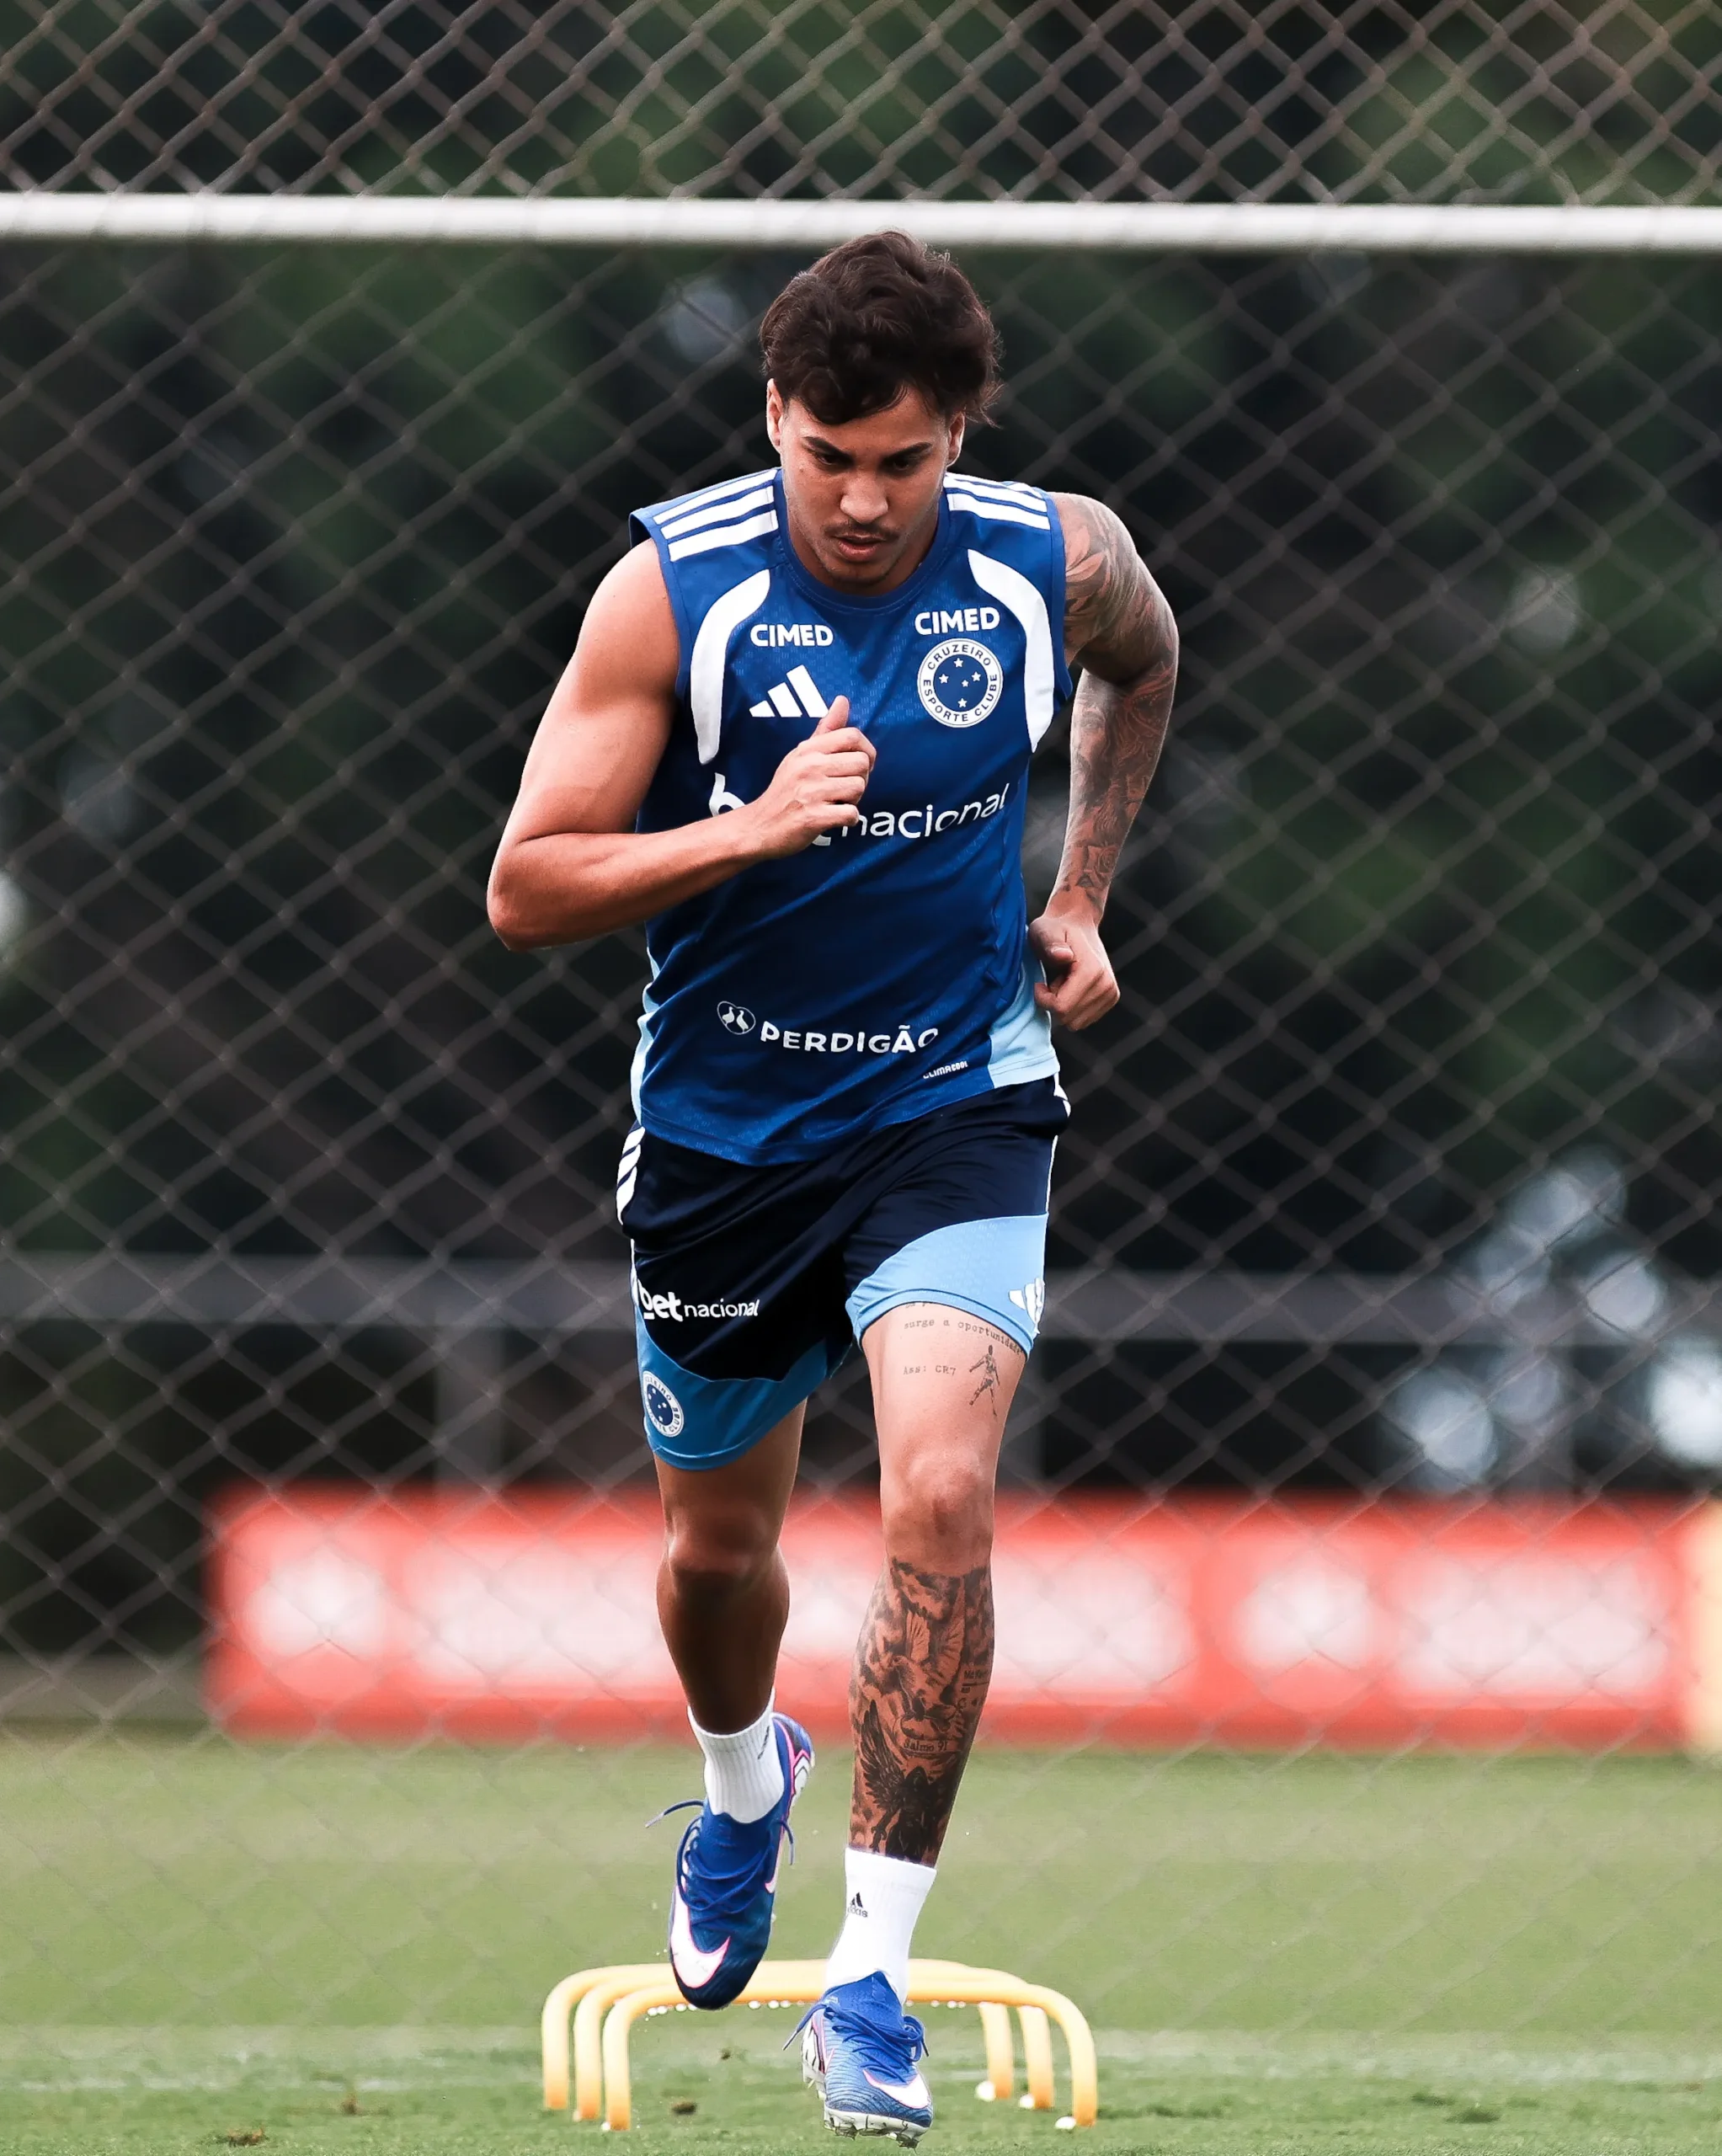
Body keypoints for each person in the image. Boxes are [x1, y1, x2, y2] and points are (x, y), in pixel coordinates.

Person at [488, 231, 1176, 2144]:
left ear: (963, 434)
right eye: (826, 456)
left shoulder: (1053, 561)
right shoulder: (674, 591)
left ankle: (870, 1981)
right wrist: (750, 827)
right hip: (727, 1140)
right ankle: (740, 1785)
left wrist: (1080, 892)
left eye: (904, 460)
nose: (864, 501)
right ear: (772, 417)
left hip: (957, 1101)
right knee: (721, 1555)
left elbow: (1144, 658)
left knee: (941, 1493)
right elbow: (527, 883)